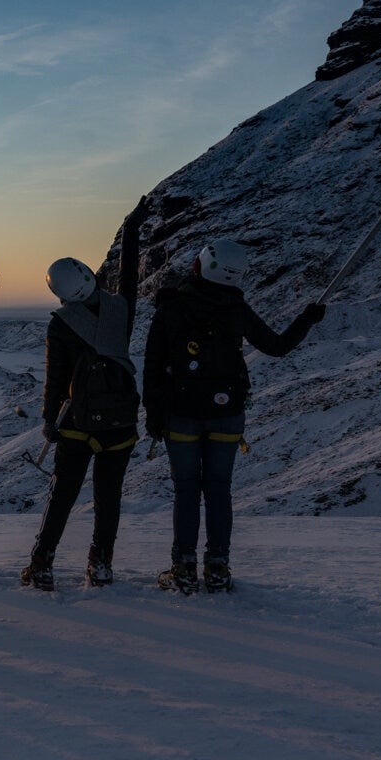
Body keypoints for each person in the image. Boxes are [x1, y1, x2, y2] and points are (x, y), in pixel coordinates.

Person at [142, 239, 325, 593]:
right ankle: (217, 567)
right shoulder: (236, 308)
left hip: (180, 415)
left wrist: (153, 415)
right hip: (227, 413)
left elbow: (152, 366)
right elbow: (278, 346)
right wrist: (307, 319)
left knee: (186, 490)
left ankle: (182, 567)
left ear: (201, 265)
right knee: (218, 490)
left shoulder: (171, 306)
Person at [22, 196, 149, 593]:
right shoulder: (120, 308)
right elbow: (130, 274)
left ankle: (42, 564)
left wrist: (48, 421)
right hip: (120, 424)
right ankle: (101, 564)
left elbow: (55, 378)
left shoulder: (61, 325)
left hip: (76, 424)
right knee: (108, 498)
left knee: (62, 495)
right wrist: (131, 229)